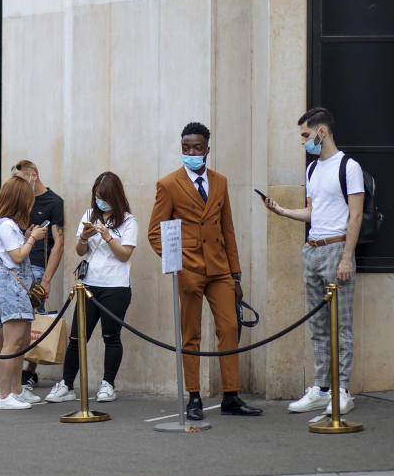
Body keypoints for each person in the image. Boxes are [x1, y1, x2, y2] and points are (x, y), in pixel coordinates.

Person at [148, 122, 261, 420]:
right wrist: (177, 264)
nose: (191, 153)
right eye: (186, 148)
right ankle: (194, 397)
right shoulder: (168, 184)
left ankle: (231, 396)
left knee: (229, 329)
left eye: (197, 148)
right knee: (191, 334)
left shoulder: (220, 181)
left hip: (220, 270)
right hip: (189, 271)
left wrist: (236, 275)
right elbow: (154, 233)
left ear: (207, 149)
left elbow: (229, 230)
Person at [264, 107, 362, 416]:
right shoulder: (311, 170)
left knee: (341, 326)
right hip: (313, 248)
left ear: (322, 132)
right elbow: (312, 212)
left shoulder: (348, 166)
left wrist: (347, 257)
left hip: (336, 249)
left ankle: (342, 390)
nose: (303, 141)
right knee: (318, 325)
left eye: (306, 135)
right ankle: (321, 388)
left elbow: (356, 215)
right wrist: (283, 212)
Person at [45, 172, 136, 403]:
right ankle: (66, 384)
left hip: (115, 286)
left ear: (114, 197)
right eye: (96, 196)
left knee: (111, 337)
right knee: (77, 337)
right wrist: (84, 237)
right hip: (88, 286)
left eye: (104, 197)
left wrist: (108, 237)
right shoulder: (89, 214)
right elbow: (79, 250)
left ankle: (108, 384)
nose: (99, 201)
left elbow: (124, 255)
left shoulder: (128, 221)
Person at [0, 176, 48, 409]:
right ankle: (5, 395)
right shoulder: (5, 224)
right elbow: (17, 257)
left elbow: (15, 251)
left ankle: (16, 390)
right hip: (13, 287)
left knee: (21, 342)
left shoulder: (5, 224)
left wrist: (25, 237)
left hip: (16, 286)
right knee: (12, 344)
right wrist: (32, 238)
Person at [11, 160, 65, 390]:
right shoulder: (19, 200)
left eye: (20, 179)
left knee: (34, 318)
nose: (17, 185)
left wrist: (46, 279)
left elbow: (59, 242)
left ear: (33, 175)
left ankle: (28, 372)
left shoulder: (54, 202)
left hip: (35, 266)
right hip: (13, 265)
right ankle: (13, 363)